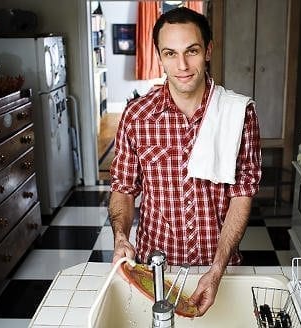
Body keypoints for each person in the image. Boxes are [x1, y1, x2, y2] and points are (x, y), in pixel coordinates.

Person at [109, 7, 261, 316]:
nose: (182, 66)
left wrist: (217, 267)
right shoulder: (136, 116)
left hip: (219, 267)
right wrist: (121, 237)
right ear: (160, 57)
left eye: (191, 51)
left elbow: (242, 194)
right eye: (170, 54)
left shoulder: (238, 113)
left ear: (208, 50)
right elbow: (123, 188)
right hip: (155, 269)